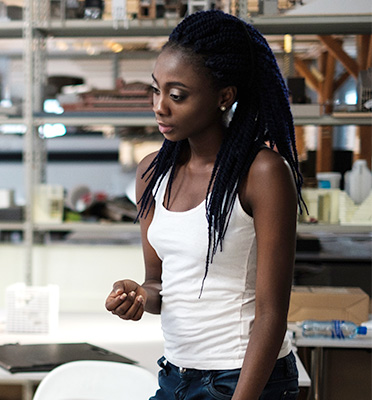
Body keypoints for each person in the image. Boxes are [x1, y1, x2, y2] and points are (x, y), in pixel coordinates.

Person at [104, 10, 303, 400]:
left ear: (223, 97)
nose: (160, 106)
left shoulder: (261, 172)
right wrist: (140, 298)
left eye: (177, 96)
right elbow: (159, 284)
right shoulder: (152, 173)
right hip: (176, 376)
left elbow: (272, 315)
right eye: (156, 90)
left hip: (246, 379)